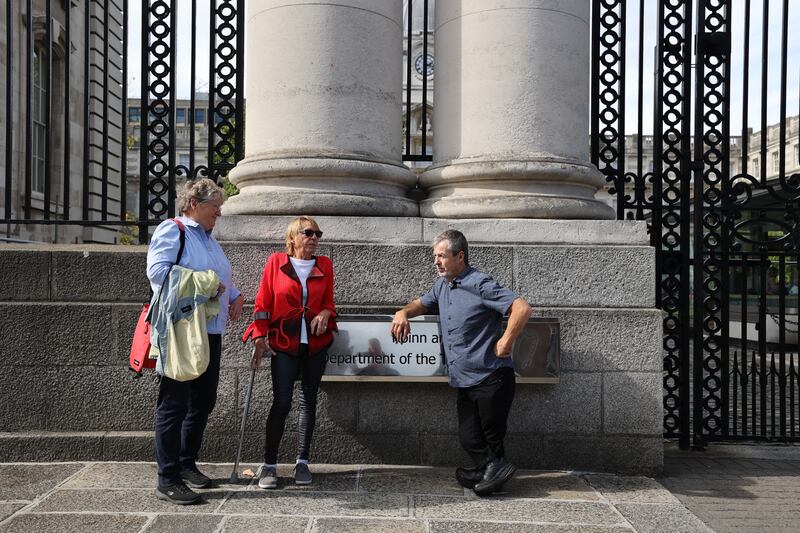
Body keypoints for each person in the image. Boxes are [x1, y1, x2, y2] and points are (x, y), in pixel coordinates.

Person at [391, 229, 532, 496]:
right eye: (435, 256)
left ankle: (492, 470)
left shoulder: (479, 283)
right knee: (469, 437)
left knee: (492, 436)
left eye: (442, 256)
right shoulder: (442, 286)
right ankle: (487, 471)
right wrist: (403, 313)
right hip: (464, 378)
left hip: (492, 375)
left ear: (460, 256)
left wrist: (506, 341)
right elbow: (421, 304)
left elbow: (521, 308)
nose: (436, 261)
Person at [146, 178, 244, 505]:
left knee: (203, 400)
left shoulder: (207, 238)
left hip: (209, 329)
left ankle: (187, 463)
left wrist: (236, 295)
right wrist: (206, 286)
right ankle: (167, 477)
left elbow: (219, 277)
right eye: (214, 206)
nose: (218, 212)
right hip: (181, 330)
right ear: (193, 204)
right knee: (173, 403)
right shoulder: (174, 230)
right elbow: (159, 273)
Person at [243, 216, 337, 489]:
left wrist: (324, 312)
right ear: (292, 238)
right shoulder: (276, 262)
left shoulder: (325, 265)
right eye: (308, 232)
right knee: (282, 401)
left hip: (316, 343)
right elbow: (263, 302)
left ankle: (302, 462)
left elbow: (330, 302)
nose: (315, 238)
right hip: (284, 341)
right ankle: (269, 464)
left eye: (318, 233)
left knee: (309, 400)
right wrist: (260, 334)